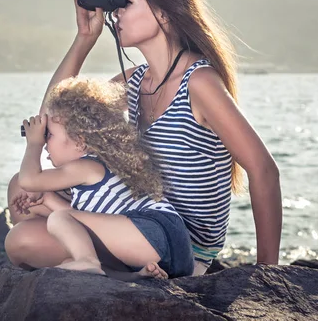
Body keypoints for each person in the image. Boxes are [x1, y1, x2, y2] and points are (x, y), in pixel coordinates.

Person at [5, 0, 282, 276]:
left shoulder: (199, 82)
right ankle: (122, 271)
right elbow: (54, 118)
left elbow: (263, 170)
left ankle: (117, 267)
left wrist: (266, 272)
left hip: (178, 241)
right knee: (20, 189)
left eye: (127, 2)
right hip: (133, 214)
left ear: (163, 12)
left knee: (22, 240)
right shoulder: (136, 80)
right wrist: (84, 40)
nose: (117, 11)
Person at [16, 77, 194, 279]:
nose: (45, 143)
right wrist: (46, 199)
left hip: (152, 231)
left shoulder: (86, 166)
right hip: (175, 251)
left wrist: (33, 144)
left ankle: (87, 261)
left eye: (49, 135)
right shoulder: (100, 168)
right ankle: (136, 277)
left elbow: (29, 180)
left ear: (79, 142)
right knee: (70, 257)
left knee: (62, 224)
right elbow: (79, 222)